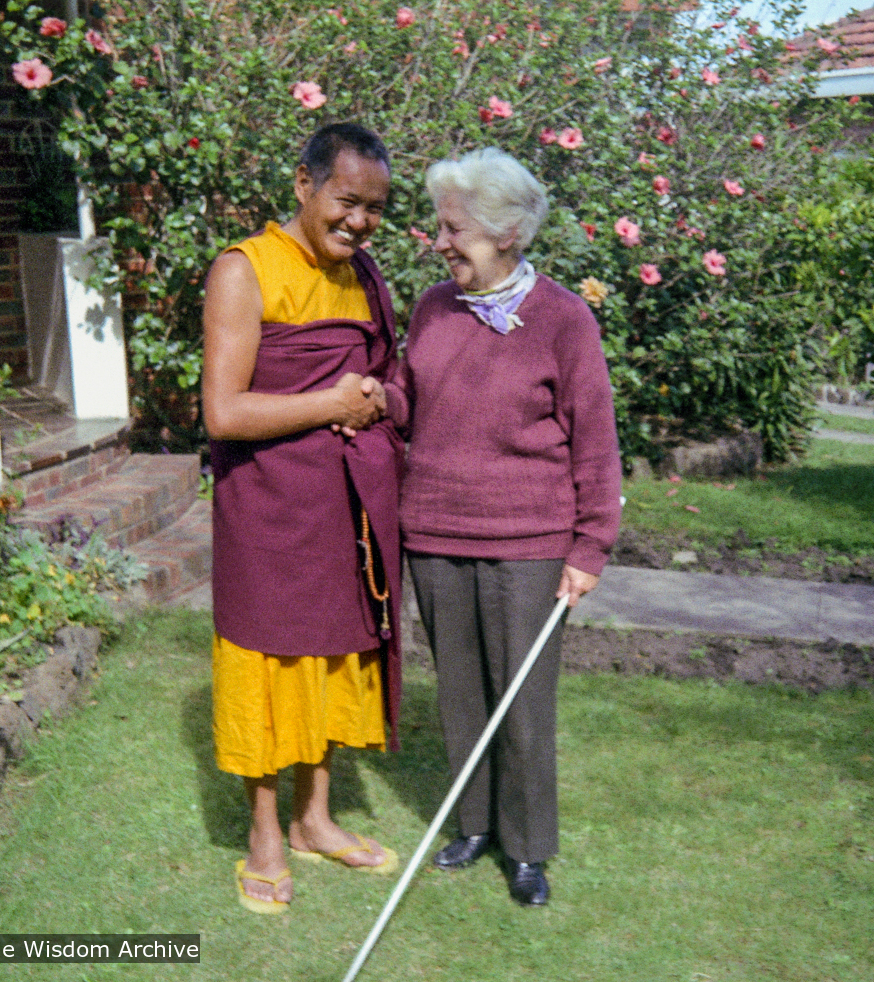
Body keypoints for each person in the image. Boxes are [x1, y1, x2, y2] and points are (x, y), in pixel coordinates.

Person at [383, 147, 623, 906]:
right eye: (441, 227)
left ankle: (527, 847)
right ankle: (474, 824)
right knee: (460, 692)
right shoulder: (430, 308)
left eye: (456, 230)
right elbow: (405, 402)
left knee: (523, 703)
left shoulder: (562, 318)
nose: (441, 242)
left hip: (529, 543)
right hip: (435, 535)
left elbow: (595, 440)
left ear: (507, 234)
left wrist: (589, 549)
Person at [201, 123, 404, 915]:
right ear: (304, 186)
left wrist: (379, 399)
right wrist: (332, 402)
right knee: (266, 662)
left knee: (329, 656)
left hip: (341, 505)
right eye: (347, 202)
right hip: (266, 505)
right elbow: (223, 410)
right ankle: (263, 836)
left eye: (375, 210)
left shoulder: (361, 278)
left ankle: (316, 820)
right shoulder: (244, 270)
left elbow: (381, 376)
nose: (359, 222)